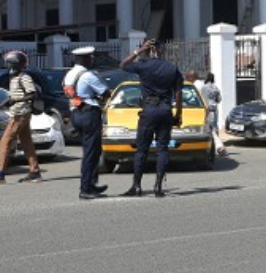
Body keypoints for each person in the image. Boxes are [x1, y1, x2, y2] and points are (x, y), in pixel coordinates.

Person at [120, 39, 183, 197]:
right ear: (161, 50)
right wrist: (178, 114)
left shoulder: (142, 65)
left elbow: (123, 65)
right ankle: (158, 187)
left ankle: (137, 186)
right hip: (165, 110)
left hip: (149, 110)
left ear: (148, 50)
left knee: (142, 149)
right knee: (162, 149)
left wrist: (138, 51)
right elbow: (178, 93)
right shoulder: (172, 68)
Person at [0, 50, 42, 183]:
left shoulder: (24, 77)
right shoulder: (14, 78)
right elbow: (12, 97)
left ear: (14, 64)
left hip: (20, 114)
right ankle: (34, 171)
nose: (7, 66)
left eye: (9, 64)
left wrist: (16, 101)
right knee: (26, 142)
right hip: (18, 113)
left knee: (4, 142)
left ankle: (0, 173)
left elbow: (32, 94)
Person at [64, 47, 109, 200]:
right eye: (90, 58)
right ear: (84, 59)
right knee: (91, 152)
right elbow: (106, 92)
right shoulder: (88, 75)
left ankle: (91, 184)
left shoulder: (69, 74)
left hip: (76, 113)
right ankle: (85, 188)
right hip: (89, 114)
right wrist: (99, 97)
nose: (92, 60)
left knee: (92, 150)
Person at [201, 72, 227, 156]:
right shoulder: (216, 87)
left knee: (208, 127)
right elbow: (219, 99)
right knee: (215, 126)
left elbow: (202, 98)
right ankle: (217, 146)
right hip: (214, 108)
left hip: (207, 109)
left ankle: (214, 146)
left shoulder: (203, 87)